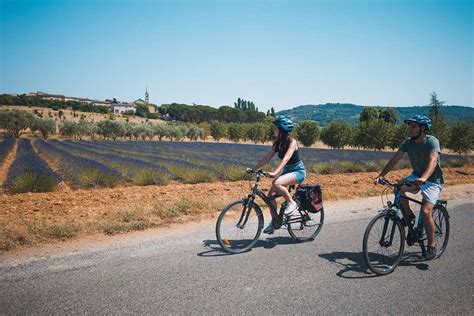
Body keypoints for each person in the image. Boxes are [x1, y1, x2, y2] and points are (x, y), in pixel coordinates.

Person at [374, 115, 444, 260]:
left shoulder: (432, 141)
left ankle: (432, 244)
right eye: (409, 126)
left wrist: (424, 177)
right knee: (398, 187)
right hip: (416, 176)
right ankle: (409, 216)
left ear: (422, 128)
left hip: (432, 181)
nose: (410, 129)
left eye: (413, 126)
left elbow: (433, 160)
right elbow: (395, 159)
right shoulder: (408, 143)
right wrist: (381, 175)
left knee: (425, 211)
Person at [252, 116, 307, 234]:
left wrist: (275, 172)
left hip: (298, 171)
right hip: (287, 171)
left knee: (276, 182)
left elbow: (286, 159)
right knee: (270, 194)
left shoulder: (292, 142)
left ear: (281, 129)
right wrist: (254, 169)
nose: (273, 130)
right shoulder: (277, 144)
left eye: (275, 128)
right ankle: (275, 222)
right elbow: (267, 158)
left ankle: (292, 203)